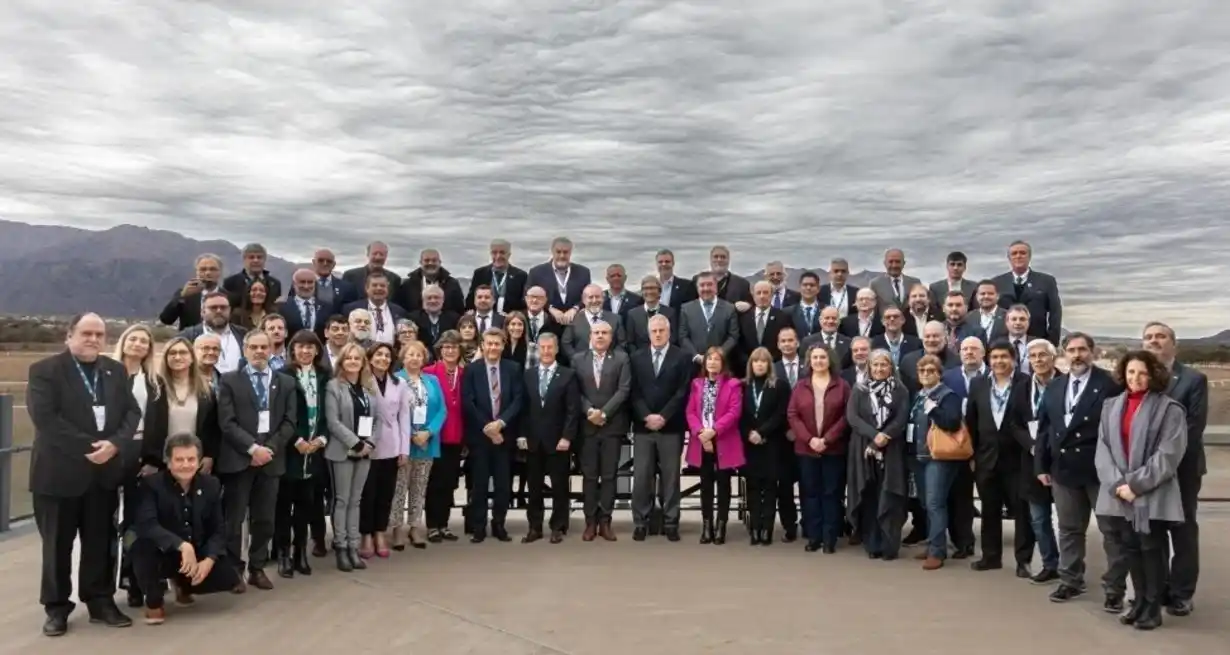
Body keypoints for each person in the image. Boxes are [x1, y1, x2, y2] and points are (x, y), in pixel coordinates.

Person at [27, 313, 141, 636]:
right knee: (57, 547)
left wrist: (115, 444)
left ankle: (100, 600)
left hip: (103, 476)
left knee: (99, 543)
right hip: (58, 475)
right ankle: (56, 607)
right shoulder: (44, 371)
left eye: (99, 334)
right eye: (86, 333)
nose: (93, 339)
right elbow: (47, 420)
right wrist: (93, 447)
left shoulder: (115, 370)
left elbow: (132, 412)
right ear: (69, 335)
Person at [1095, 350, 1188, 631]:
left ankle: (1152, 608)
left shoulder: (1170, 409)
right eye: (1131, 372)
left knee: (1151, 550)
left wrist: (1135, 485)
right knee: (1130, 550)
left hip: (1151, 493)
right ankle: (1138, 604)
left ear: (1154, 375)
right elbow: (1103, 449)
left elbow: (1169, 455)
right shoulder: (1111, 406)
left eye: (1143, 373)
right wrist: (1118, 485)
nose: (1136, 378)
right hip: (1120, 494)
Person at [216, 330, 298, 592]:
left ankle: (257, 567)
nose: (259, 352)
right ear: (245, 350)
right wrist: (252, 449)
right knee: (234, 520)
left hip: (271, 461)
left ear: (271, 350)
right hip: (239, 460)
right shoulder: (229, 381)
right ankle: (233, 571)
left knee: (265, 520)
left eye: (264, 347)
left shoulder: (286, 383)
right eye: (254, 347)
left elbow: (290, 422)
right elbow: (227, 422)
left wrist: (268, 450)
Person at [129, 433, 240, 625]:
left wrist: (209, 559)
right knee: (142, 549)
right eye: (179, 460)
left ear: (199, 462)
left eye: (191, 459)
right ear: (168, 462)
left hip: (195, 550)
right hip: (162, 551)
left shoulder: (211, 484)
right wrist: (182, 545)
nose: (186, 465)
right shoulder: (151, 485)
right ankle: (153, 601)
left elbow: (219, 528)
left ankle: (183, 586)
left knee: (227, 578)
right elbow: (147, 525)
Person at [845, 349, 909, 560]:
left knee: (889, 495)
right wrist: (874, 437)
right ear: (869, 367)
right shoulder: (859, 389)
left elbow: (901, 418)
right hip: (863, 448)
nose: (879, 369)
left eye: (884, 364)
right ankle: (872, 544)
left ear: (891, 367)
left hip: (891, 449)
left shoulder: (900, 390)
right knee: (868, 495)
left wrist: (883, 437)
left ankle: (889, 545)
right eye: (875, 365)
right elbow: (853, 417)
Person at [786, 345, 851, 554]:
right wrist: (809, 439)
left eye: (822, 357)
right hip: (806, 450)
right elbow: (792, 414)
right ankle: (814, 536)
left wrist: (827, 439)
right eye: (814, 357)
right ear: (809, 361)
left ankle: (830, 537)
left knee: (831, 493)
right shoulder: (801, 386)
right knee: (810, 493)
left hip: (833, 449)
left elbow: (846, 416)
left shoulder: (842, 385)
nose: (819, 361)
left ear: (829, 360)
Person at [274, 330, 329, 578]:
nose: (305, 351)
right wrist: (296, 439)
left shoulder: (325, 376)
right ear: (293, 350)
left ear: (317, 350)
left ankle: (300, 553)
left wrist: (321, 439)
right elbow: (279, 412)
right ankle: (283, 554)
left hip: (315, 451)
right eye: (300, 346)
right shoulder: (283, 375)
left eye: (310, 347)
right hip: (291, 450)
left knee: (306, 506)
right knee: (284, 506)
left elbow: (330, 411)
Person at [520, 333, 580, 543]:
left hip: (558, 441)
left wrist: (567, 437)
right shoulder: (528, 375)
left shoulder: (568, 375)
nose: (546, 351)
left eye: (549, 347)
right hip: (534, 441)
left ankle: (558, 526)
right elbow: (523, 408)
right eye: (542, 347)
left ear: (556, 349)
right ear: (537, 350)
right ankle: (534, 527)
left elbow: (573, 410)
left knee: (559, 487)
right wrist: (522, 435)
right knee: (534, 487)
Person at [324, 342, 377, 571]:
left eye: (357, 358)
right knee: (342, 500)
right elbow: (333, 421)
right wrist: (355, 442)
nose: (353, 362)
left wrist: (370, 443)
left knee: (356, 500)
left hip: (365, 452)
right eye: (349, 358)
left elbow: (378, 420)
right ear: (342, 362)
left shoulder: (369, 388)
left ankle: (354, 546)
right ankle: (341, 546)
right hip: (342, 451)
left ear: (363, 362)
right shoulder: (333, 386)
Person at [910, 354, 967, 570]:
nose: (926, 374)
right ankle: (932, 542)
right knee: (926, 503)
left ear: (939, 374)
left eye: (931, 371)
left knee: (935, 504)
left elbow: (952, 423)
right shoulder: (918, 395)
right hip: (920, 456)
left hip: (940, 457)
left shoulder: (948, 396)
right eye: (922, 371)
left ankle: (937, 551)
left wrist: (933, 408)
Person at [685, 347, 745, 545]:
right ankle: (707, 525)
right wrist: (701, 433)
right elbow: (690, 412)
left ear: (723, 363)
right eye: (709, 359)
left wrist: (714, 431)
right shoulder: (697, 384)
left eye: (716, 360)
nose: (712, 363)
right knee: (706, 485)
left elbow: (734, 412)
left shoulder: (733, 384)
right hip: (701, 439)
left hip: (724, 440)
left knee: (723, 484)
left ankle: (721, 526)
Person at [358, 343, 409, 559]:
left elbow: (404, 417)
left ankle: (380, 533)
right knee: (367, 494)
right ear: (370, 358)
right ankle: (365, 535)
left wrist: (404, 449)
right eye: (379, 354)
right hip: (368, 444)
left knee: (385, 494)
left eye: (387, 355)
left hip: (392, 444)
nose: (383, 359)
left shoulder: (400, 383)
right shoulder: (362, 380)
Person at [393, 341, 446, 549]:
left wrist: (428, 432)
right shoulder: (396, 379)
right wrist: (411, 433)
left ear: (424, 359)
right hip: (403, 444)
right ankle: (397, 529)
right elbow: (391, 411)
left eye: (419, 355)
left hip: (427, 443)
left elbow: (442, 410)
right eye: (410, 354)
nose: (414, 358)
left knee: (419, 487)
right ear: (403, 358)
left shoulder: (432, 380)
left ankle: (415, 527)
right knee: (399, 489)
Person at [739, 347, 790, 545]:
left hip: (771, 443)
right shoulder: (743, 385)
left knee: (769, 487)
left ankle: (767, 529)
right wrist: (749, 433)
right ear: (750, 364)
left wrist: (761, 432)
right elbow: (739, 415)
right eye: (756, 361)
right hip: (749, 444)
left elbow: (781, 414)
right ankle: (755, 528)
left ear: (769, 364)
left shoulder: (779, 385)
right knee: (752, 487)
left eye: (763, 361)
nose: (759, 365)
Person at [423, 331, 467, 542]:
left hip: (457, 436)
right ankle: (432, 525)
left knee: (450, 482)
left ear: (460, 350)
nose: (450, 351)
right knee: (434, 483)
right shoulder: (428, 372)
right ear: (440, 350)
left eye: (454, 347)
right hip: (434, 436)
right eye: (446, 347)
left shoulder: (465, 373)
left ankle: (444, 524)